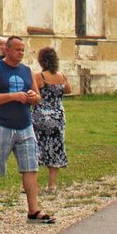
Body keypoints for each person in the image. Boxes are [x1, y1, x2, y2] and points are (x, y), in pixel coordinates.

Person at [0, 36, 52, 223]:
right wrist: (12, 96)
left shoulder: (27, 71)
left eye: (22, 50)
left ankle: (33, 210)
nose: (21, 53)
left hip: (25, 125)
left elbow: (37, 97)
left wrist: (32, 97)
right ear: (7, 50)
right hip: (1, 124)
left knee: (30, 167)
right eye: (17, 49)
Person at [33, 47, 71, 191]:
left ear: (41, 60)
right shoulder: (61, 75)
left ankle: (33, 182)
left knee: (37, 147)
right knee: (56, 147)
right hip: (58, 115)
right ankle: (52, 184)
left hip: (40, 115)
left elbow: (34, 92)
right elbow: (68, 90)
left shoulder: (39, 77)